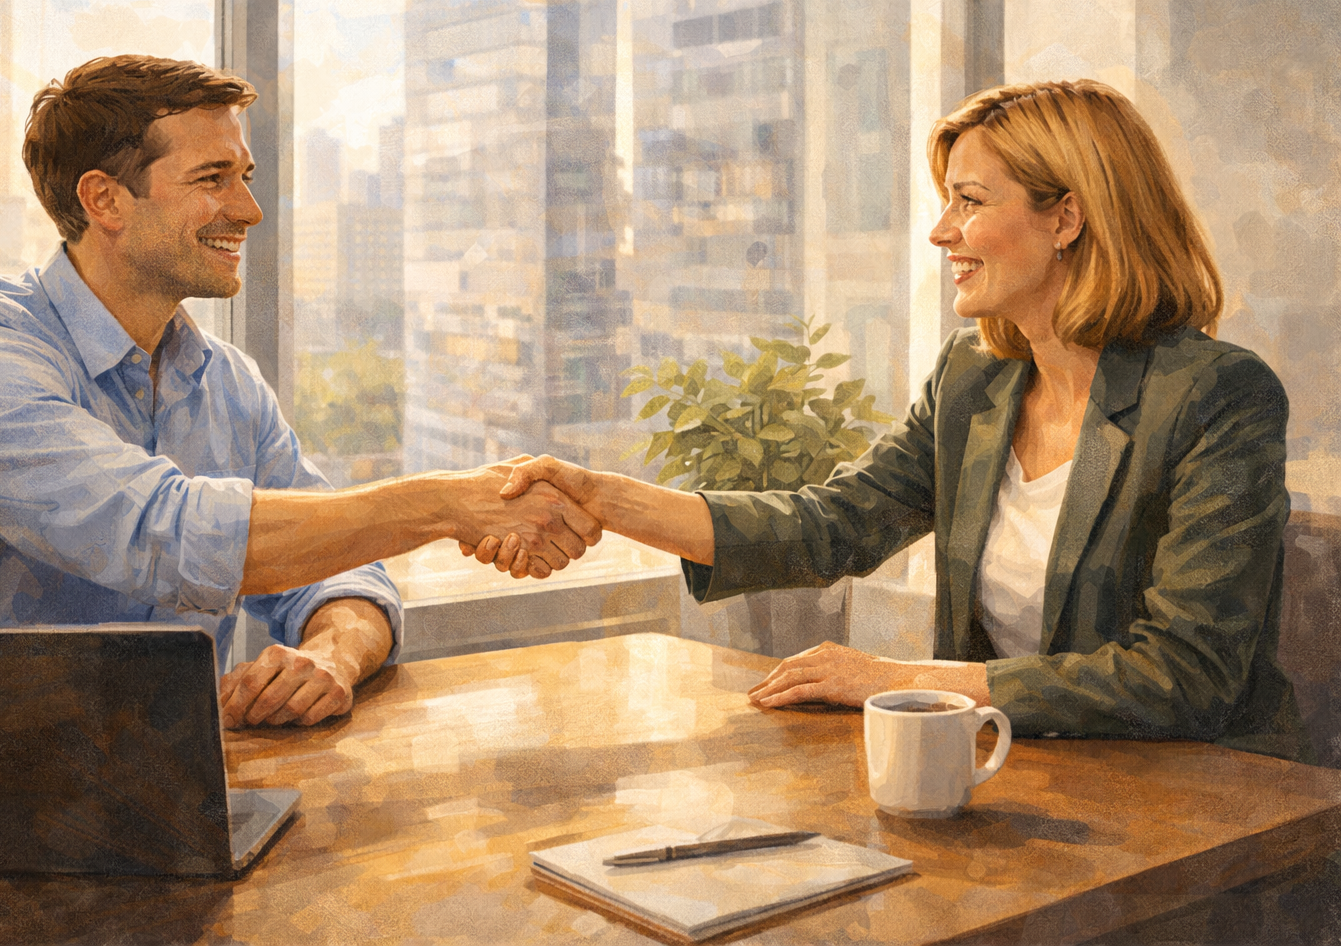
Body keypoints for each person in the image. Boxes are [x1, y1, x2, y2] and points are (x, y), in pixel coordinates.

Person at [468, 79, 1309, 762]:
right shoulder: (975, 380)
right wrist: (608, 500)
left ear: (1066, 218)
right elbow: (835, 524)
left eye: (970, 201)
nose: (943, 232)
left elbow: (1185, 674)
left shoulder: (1218, 397)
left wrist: (900, 679)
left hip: (1200, 804)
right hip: (1020, 773)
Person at [0, 55, 600, 729]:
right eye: (213, 180)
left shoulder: (228, 384)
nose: (248, 210)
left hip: (163, 795)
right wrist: (440, 503)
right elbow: (162, 534)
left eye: (243, 177)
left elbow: (346, 574)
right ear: (105, 200)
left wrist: (332, 655)